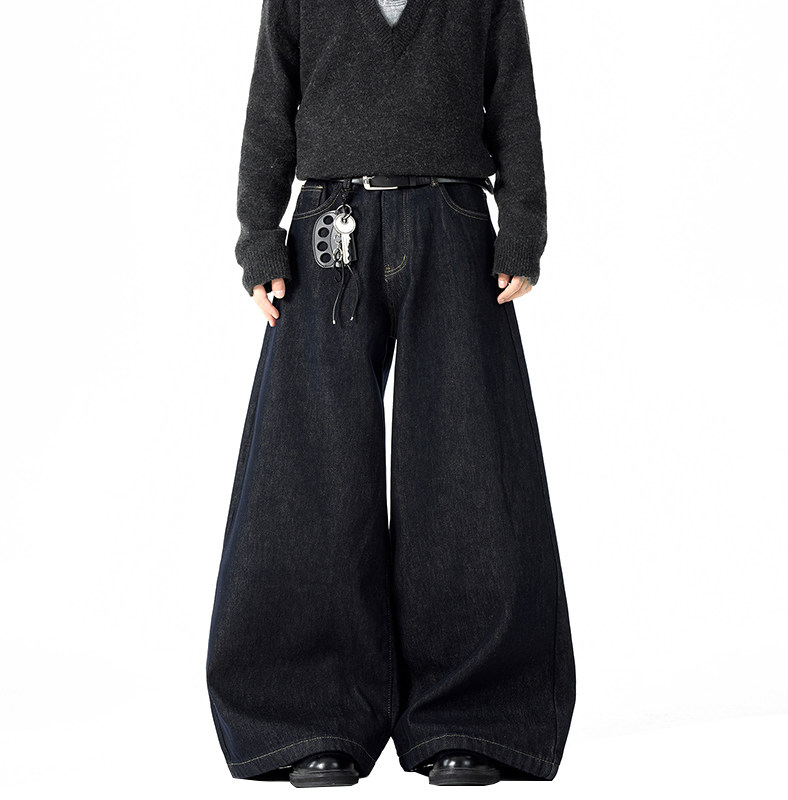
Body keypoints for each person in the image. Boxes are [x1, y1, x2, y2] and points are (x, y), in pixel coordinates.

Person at [206, 0, 576, 787]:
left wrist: (523, 226)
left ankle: (473, 715)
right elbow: (272, 99)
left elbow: (513, 97)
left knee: (467, 462)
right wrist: (259, 237)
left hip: (455, 220)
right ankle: (307, 715)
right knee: (309, 470)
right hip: (326, 231)